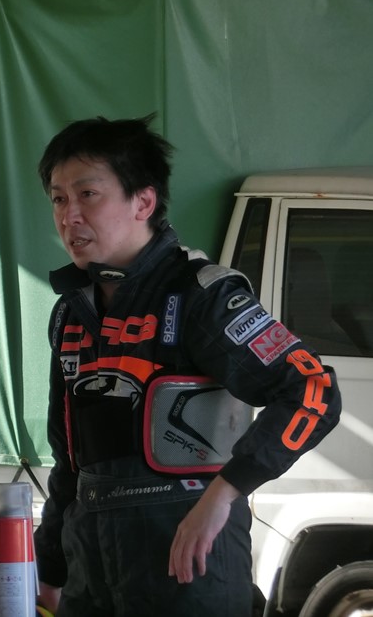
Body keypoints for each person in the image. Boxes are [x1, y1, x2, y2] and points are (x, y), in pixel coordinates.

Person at [32, 115, 341, 617]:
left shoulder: (203, 296)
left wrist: (221, 497)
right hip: (91, 572)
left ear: (143, 202)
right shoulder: (71, 313)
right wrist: (49, 567)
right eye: (58, 199)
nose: (70, 215)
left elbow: (312, 390)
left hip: (189, 571)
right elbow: (68, 458)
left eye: (87, 194)